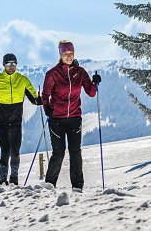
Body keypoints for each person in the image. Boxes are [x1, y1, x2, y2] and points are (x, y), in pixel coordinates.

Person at [41, 40, 101, 193]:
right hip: (56, 120)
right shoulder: (53, 74)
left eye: (71, 53)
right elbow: (45, 94)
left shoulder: (80, 72)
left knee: (75, 152)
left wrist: (95, 83)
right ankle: (49, 186)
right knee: (58, 153)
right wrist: (47, 108)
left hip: (74, 118)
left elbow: (91, 93)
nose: (69, 56)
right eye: (66, 54)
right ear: (60, 55)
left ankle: (77, 187)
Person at [0, 53, 41, 185]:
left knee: (15, 152)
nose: (11, 66)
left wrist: (40, 100)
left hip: (16, 121)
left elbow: (34, 99)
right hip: (0, 122)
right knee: (6, 151)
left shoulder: (23, 80)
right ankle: (3, 181)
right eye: (8, 64)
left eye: (13, 64)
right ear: (3, 65)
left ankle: (14, 181)